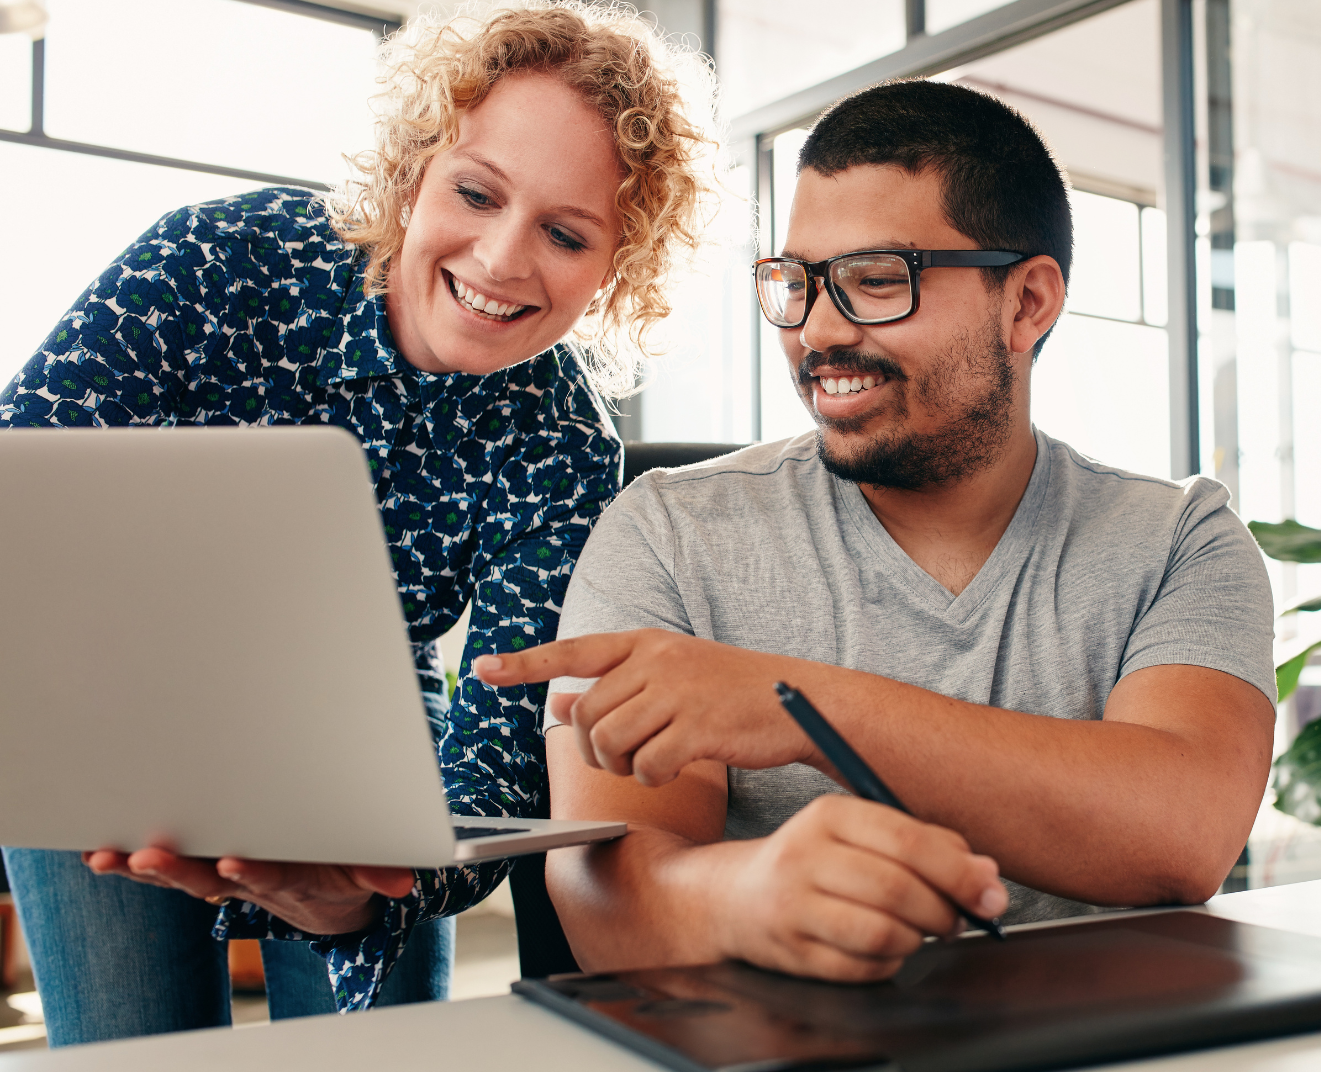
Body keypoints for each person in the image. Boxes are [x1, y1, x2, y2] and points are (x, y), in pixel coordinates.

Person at [0, 0, 719, 1044]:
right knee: (132, 1049)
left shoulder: (563, 443)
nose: (503, 260)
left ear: (616, 268)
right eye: (476, 192)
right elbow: (25, 488)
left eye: (565, 233)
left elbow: (507, 743)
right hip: (117, 701)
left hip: (362, 731)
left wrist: (384, 886)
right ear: (413, 171)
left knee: (370, 1052)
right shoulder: (215, 262)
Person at [474, 80, 1278, 981]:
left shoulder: (1181, 539)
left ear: (1028, 304)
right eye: (797, 283)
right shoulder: (666, 529)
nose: (817, 330)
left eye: (875, 281)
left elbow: (1182, 833)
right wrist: (745, 899)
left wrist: (801, 707)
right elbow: (601, 902)